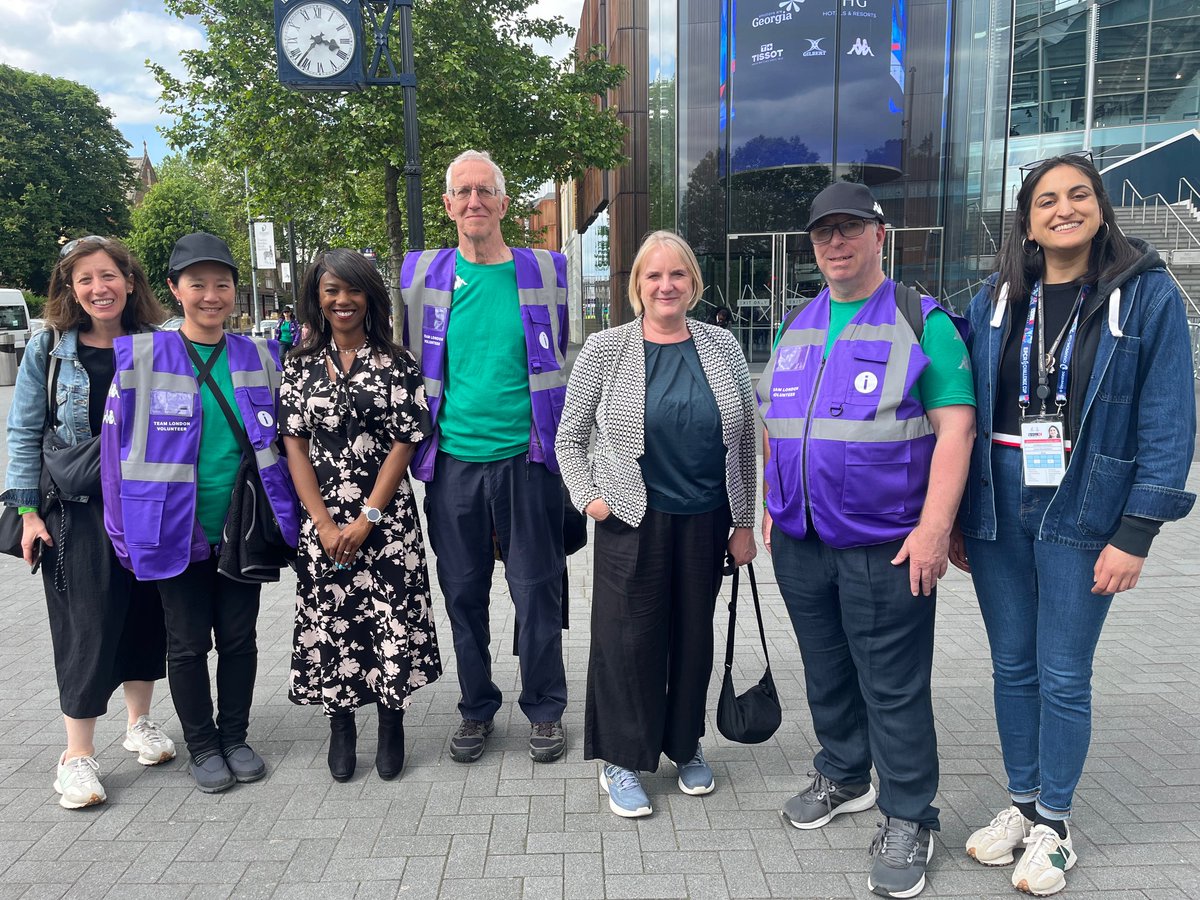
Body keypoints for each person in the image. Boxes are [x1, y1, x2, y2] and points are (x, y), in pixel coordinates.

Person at [951, 153, 1196, 896]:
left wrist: (1137, 532)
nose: (1064, 208)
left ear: (1100, 207)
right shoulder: (998, 297)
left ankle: (1056, 825)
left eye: (1078, 195)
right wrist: (959, 515)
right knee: (1011, 667)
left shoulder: (1146, 295)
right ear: (1026, 219)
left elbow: (1168, 420)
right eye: (1047, 199)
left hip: (1082, 508)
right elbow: (964, 410)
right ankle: (1022, 807)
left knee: (1063, 674)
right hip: (999, 502)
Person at [760, 182, 976, 898]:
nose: (836, 243)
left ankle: (910, 814)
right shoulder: (797, 323)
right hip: (800, 542)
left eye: (850, 228)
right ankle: (845, 773)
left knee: (892, 688)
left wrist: (935, 528)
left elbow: (956, 430)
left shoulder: (922, 321)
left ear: (879, 235)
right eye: (824, 232)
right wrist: (773, 499)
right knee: (825, 672)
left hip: (888, 544)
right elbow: (778, 424)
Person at [556, 231, 757, 818]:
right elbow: (569, 438)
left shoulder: (722, 347)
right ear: (636, 287)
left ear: (693, 284)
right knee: (628, 642)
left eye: (677, 275)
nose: (666, 286)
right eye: (653, 276)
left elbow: (744, 440)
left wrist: (743, 521)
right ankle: (620, 758)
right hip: (631, 520)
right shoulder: (605, 348)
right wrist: (589, 497)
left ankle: (684, 743)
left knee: (693, 638)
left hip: (704, 518)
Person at [101, 232, 299, 794]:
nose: (211, 296)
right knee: (187, 643)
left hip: (242, 529)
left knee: (239, 638)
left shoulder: (261, 356)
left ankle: (234, 737)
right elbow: (113, 459)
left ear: (236, 290)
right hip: (170, 529)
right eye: (197, 284)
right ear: (174, 289)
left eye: (222, 284)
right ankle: (203, 745)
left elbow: (284, 443)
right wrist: (122, 534)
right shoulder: (142, 358)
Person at [400, 149, 569, 764]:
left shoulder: (549, 271)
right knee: (463, 593)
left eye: (485, 191)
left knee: (537, 592)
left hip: (528, 463)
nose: (474, 202)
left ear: (504, 203)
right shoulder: (420, 275)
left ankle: (545, 709)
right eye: (462, 192)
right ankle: (476, 707)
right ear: (447, 206)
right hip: (454, 465)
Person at [2, 236, 174, 809]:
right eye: (85, 280)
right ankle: (76, 755)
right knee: (85, 626)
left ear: (129, 281)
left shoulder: (157, 344)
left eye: (108, 276)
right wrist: (27, 514)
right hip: (78, 511)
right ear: (70, 290)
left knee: (144, 614)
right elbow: (24, 432)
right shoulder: (49, 350)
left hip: (147, 505)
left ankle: (140, 722)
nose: (98, 289)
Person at [281, 249, 442, 782]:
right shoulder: (299, 364)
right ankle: (341, 726)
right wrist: (325, 524)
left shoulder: (398, 362)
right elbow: (294, 447)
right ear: (318, 298)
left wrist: (369, 515)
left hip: (386, 522)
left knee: (390, 619)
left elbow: (405, 441)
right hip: (322, 523)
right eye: (331, 291)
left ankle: (392, 723)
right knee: (334, 622)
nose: (342, 300)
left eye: (352, 291)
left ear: (369, 296)